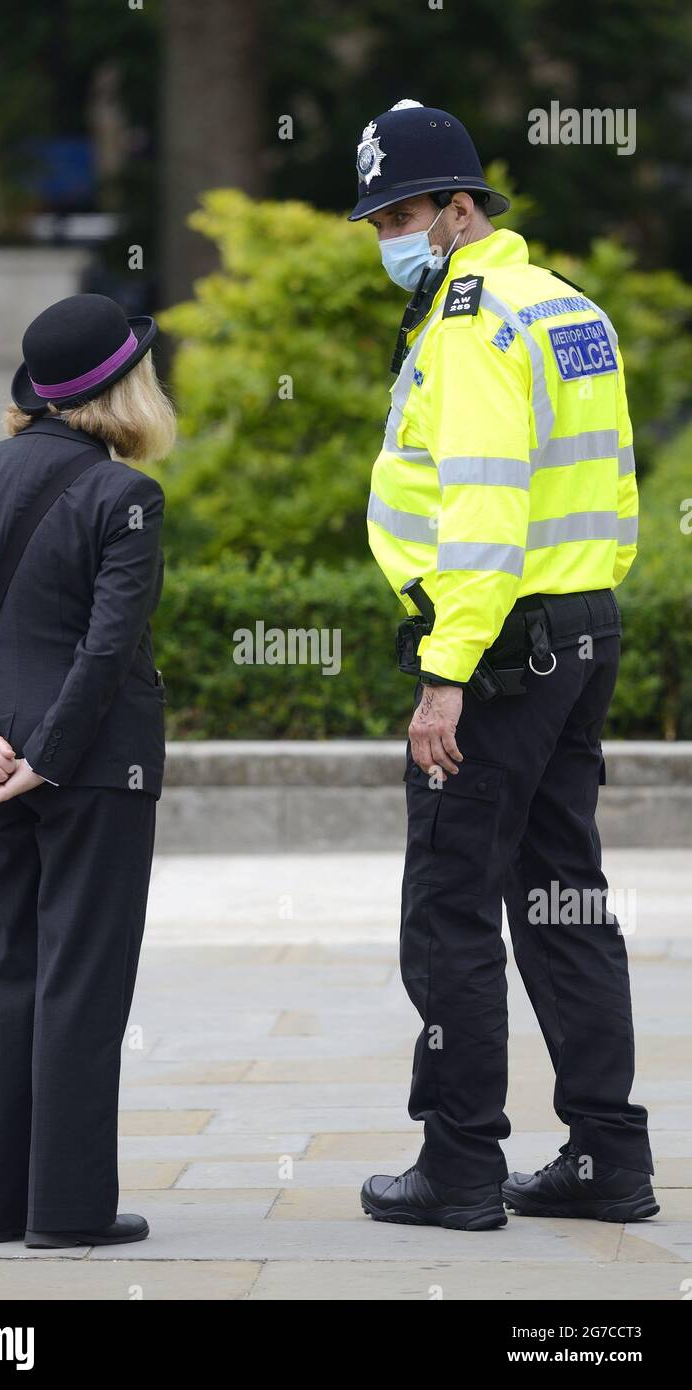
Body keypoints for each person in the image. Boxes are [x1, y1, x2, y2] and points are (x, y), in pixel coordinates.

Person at [350, 101, 656, 1231]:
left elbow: (481, 512)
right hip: (579, 627)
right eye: (376, 215)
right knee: (563, 895)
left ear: (460, 209)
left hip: (496, 650)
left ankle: (459, 1163)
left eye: (403, 211)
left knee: (447, 909)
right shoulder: (568, 308)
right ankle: (606, 1155)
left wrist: (445, 670)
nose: (389, 232)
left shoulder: (473, 323)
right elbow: (609, 490)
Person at [0, 293, 176, 1248]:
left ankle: (0, 1203)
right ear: (120, 389)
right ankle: (67, 1211)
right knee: (82, 986)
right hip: (92, 772)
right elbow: (105, 652)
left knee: (3, 981)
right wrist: (48, 760)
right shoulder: (125, 497)